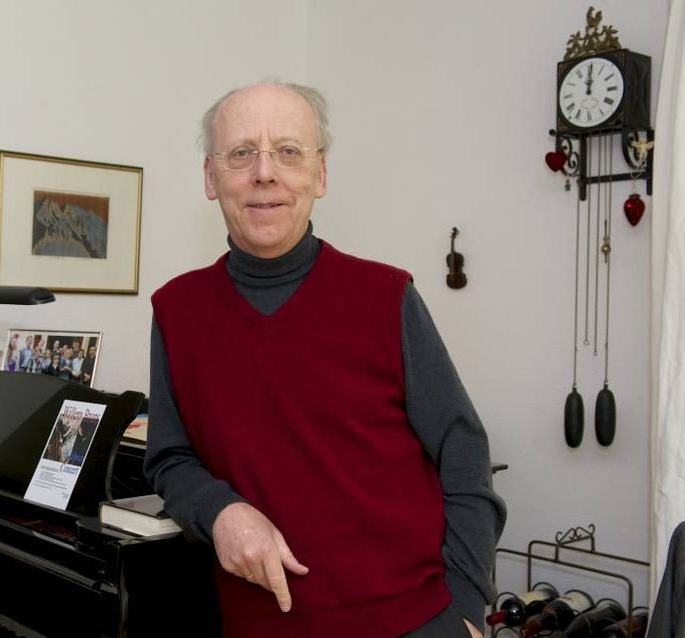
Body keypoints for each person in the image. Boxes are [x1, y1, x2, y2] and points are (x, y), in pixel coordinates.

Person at [145, 81, 506, 638]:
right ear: (211, 178)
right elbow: (170, 457)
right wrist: (220, 510)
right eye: (241, 153)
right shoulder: (176, 310)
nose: (264, 173)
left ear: (321, 174)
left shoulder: (387, 297)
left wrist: (465, 607)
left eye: (289, 151)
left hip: (412, 621)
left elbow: (462, 447)